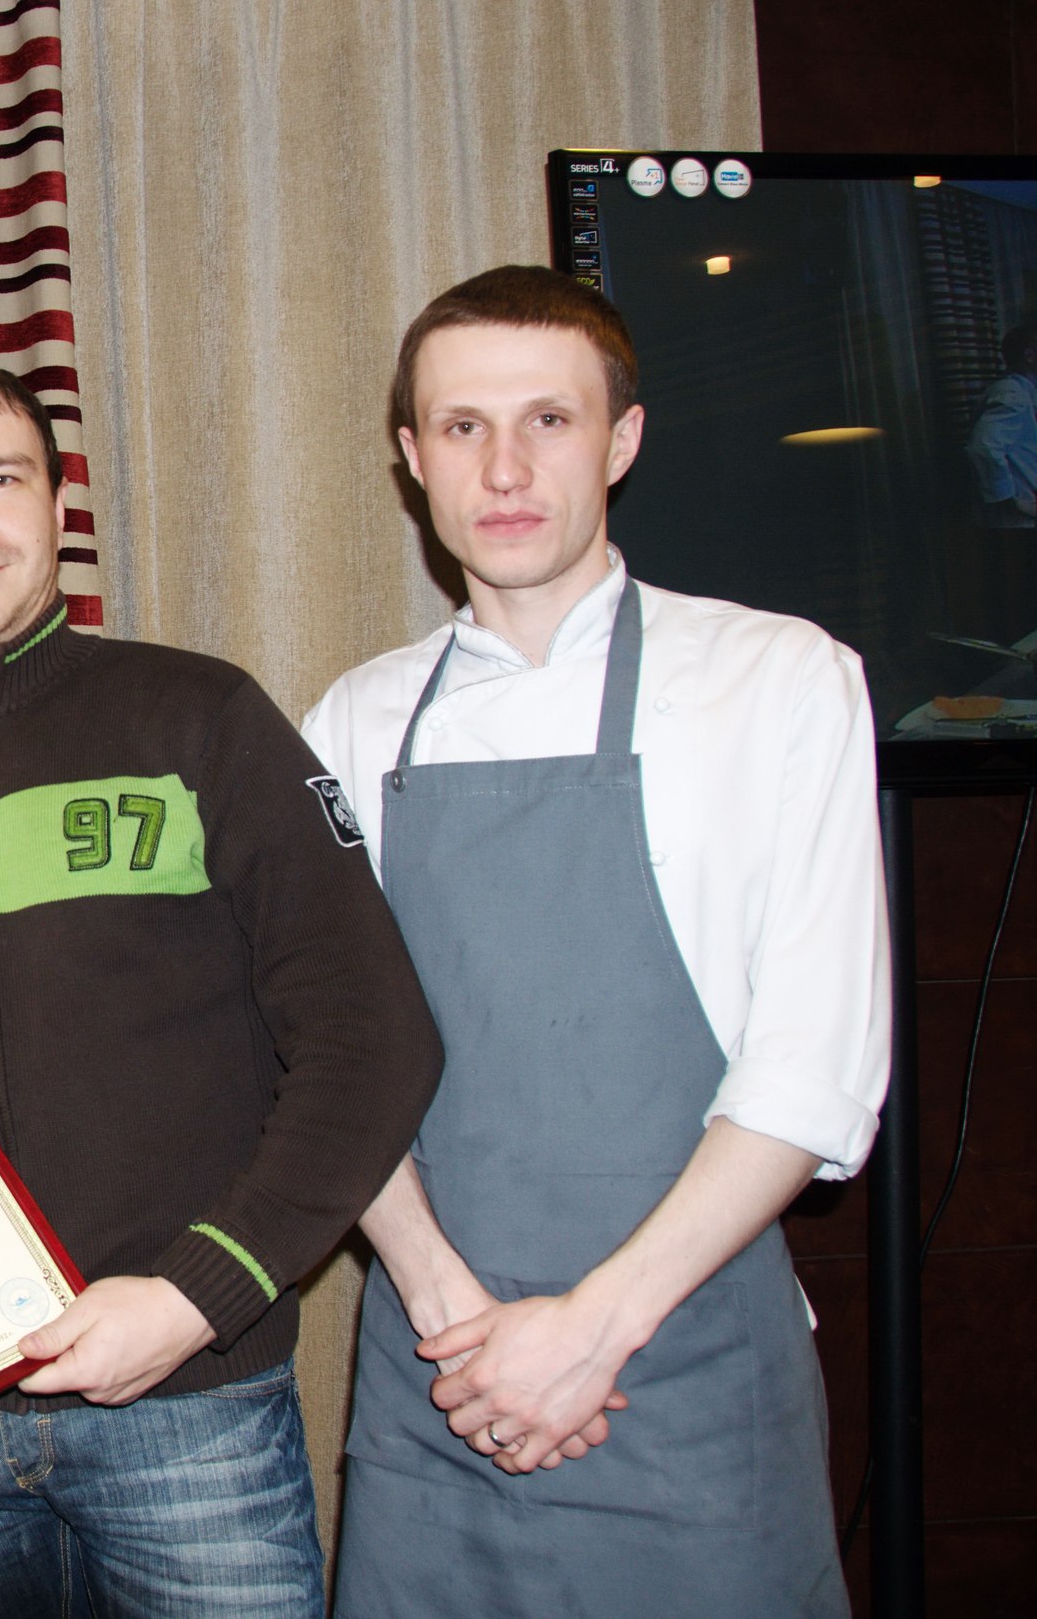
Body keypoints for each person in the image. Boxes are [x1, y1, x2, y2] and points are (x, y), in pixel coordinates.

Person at [0, 356, 446, 1617]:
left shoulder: (200, 717)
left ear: (57, 505)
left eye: (2, 477)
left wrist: (199, 1293)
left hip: (187, 1408)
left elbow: (374, 1036)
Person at [301, 265, 890, 1617]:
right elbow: (329, 1058)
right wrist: (453, 1319)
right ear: (412, 458)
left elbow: (814, 1066)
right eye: (463, 427)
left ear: (621, 440)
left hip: (685, 1360)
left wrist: (591, 1329)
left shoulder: (779, 679)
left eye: (548, 421)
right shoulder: (353, 720)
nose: (504, 468)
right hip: (440, 1375)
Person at [966, 318, 1037, 525]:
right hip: (1021, 516)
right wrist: (1006, 499)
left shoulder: (1024, 392)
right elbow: (983, 446)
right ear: (1029, 356)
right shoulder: (1012, 393)